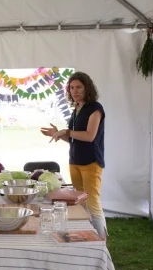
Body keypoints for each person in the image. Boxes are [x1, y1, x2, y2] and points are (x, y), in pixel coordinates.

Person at [40, 72, 106, 237]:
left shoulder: (95, 108)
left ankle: (102, 241)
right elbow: (74, 139)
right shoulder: (76, 109)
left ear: (87, 88)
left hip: (91, 162)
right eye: (71, 88)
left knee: (92, 203)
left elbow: (89, 136)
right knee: (81, 202)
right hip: (75, 161)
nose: (74, 91)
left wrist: (67, 131)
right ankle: (88, 237)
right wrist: (57, 134)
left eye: (78, 87)